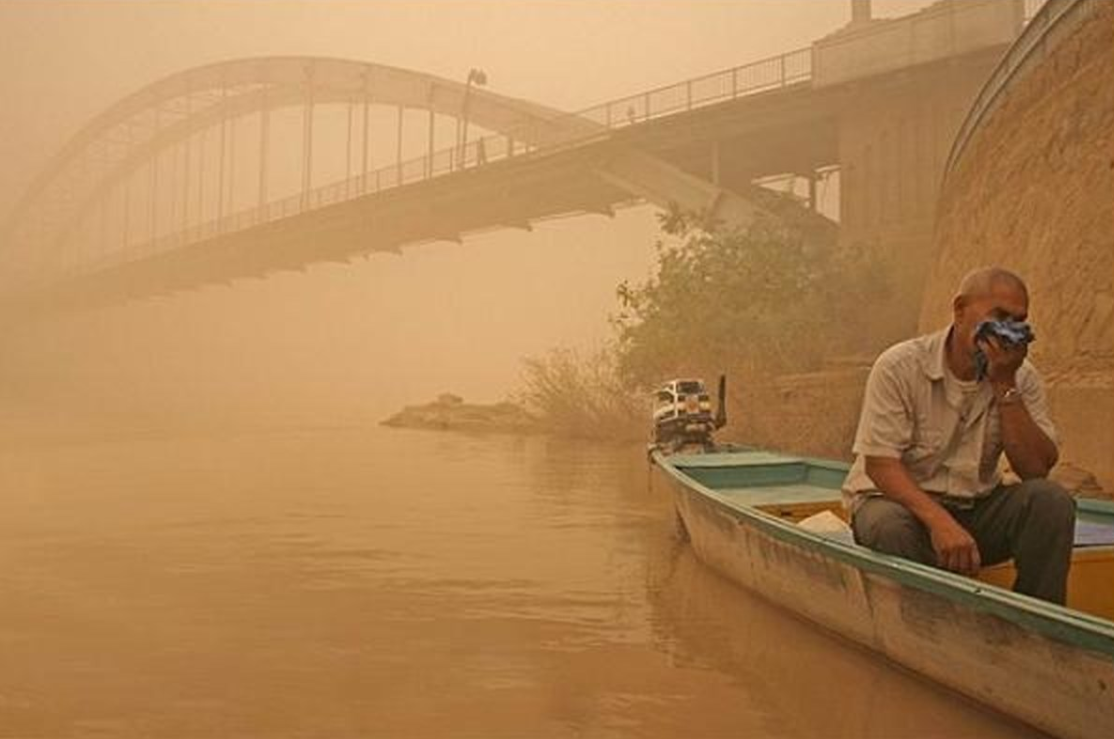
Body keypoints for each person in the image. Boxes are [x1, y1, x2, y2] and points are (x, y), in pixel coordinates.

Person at [842, 267, 1075, 604]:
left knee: (1051, 502)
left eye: (1017, 320)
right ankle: (925, 630)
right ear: (960, 310)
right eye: (998, 316)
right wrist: (940, 523)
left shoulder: (1021, 377)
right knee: (888, 526)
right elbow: (880, 465)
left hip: (975, 510)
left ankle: (1037, 631)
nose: (1006, 330)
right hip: (902, 510)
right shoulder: (899, 366)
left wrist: (1004, 384)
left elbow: (1035, 469)